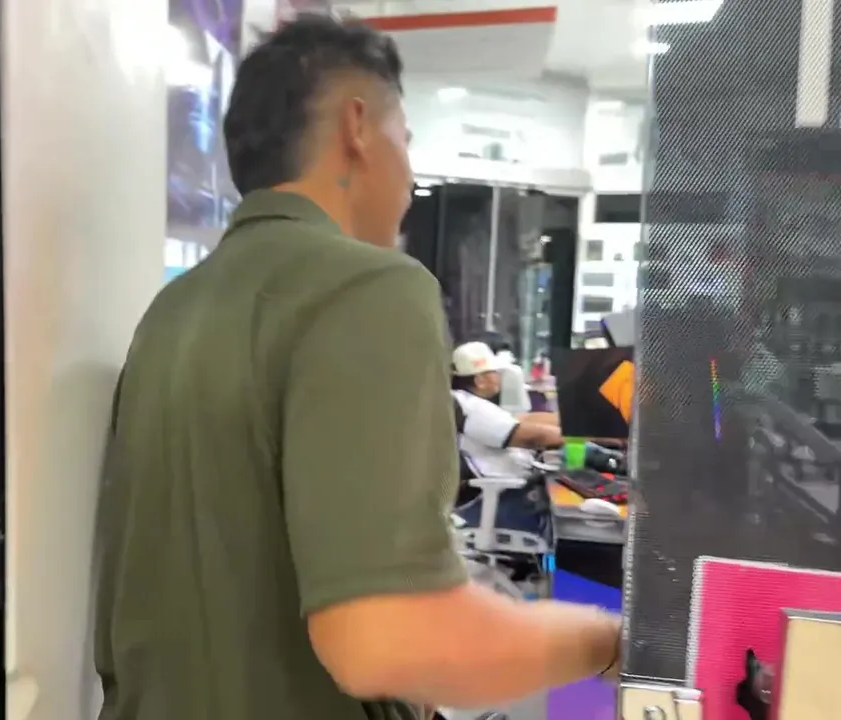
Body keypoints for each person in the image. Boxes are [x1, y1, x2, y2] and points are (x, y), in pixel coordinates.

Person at [93, 15, 620, 720]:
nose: (409, 176)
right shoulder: (371, 288)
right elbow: (386, 641)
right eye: (407, 138)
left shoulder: (171, 311)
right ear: (358, 126)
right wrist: (609, 642)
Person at [451, 341, 563, 478]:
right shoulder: (472, 407)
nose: (499, 377)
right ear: (480, 381)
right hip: (504, 486)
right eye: (495, 372)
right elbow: (532, 437)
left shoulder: (468, 402)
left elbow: (521, 420)